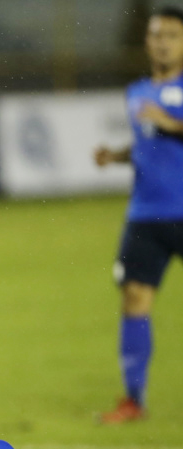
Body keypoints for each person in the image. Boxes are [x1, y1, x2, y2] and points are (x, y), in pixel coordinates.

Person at [93, 6, 183, 423]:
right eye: (156, 35)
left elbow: (166, 129)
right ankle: (134, 400)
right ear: (146, 41)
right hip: (145, 214)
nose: (162, 41)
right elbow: (148, 144)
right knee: (133, 300)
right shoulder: (137, 92)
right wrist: (117, 155)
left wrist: (169, 121)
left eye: (171, 35)